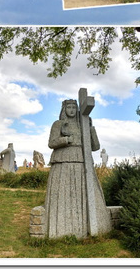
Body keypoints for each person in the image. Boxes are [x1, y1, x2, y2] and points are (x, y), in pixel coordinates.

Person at [45, 99, 110, 239]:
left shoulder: (84, 125)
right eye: (69, 107)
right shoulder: (58, 124)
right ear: (64, 109)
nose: (72, 109)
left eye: (74, 107)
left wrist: (91, 128)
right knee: (64, 192)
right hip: (63, 160)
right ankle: (62, 228)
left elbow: (95, 147)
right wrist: (65, 140)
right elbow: (51, 143)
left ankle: (91, 227)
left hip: (83, 161)